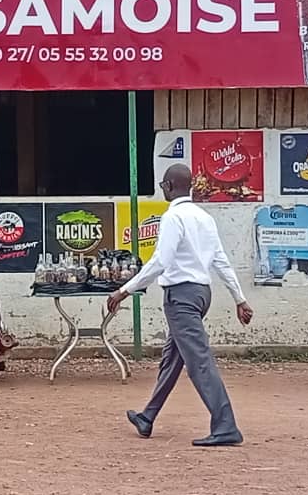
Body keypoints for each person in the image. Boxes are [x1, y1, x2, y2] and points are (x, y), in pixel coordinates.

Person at [107, 164, 253, 447]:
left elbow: (161, 261)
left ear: (169, 187)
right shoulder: (204, 218)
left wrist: (124, 290)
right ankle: (147, 417)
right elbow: (221, 261)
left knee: (198, 361)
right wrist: (239, 298)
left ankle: (225, 426)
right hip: (201, 294)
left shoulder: (173, 217)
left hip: (181, 298)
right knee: (171, 359)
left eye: (163, 185)